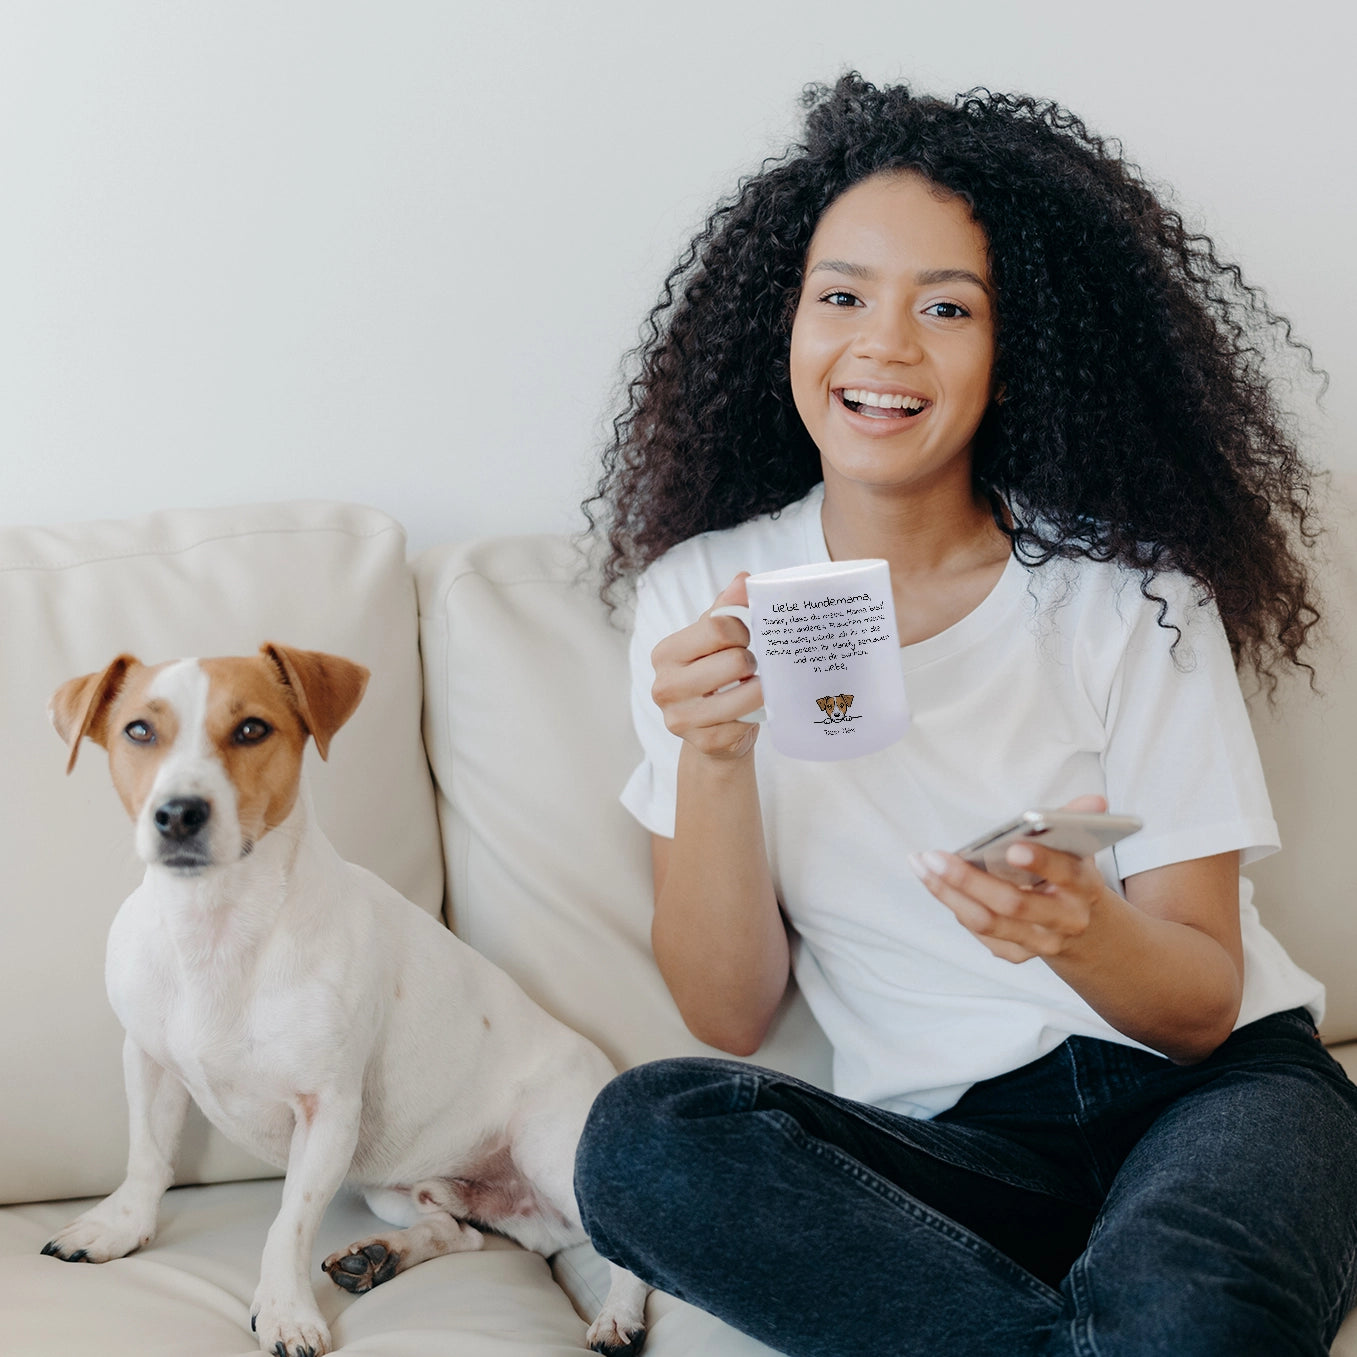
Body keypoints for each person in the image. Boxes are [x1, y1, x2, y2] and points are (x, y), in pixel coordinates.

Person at [573, 73, 1357, 1357]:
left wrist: (1075, 929)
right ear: (783, 324)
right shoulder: (696, 594)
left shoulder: (1131, 596)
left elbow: (1200, 1003)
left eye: (946, 308)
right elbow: (728, 1016)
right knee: (646, 1140)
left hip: (1213, 1097)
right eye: (841, 297)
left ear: (1019, 351)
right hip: (962, 1153)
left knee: (1182, 1306)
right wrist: (714, 755)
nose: (882, 347)